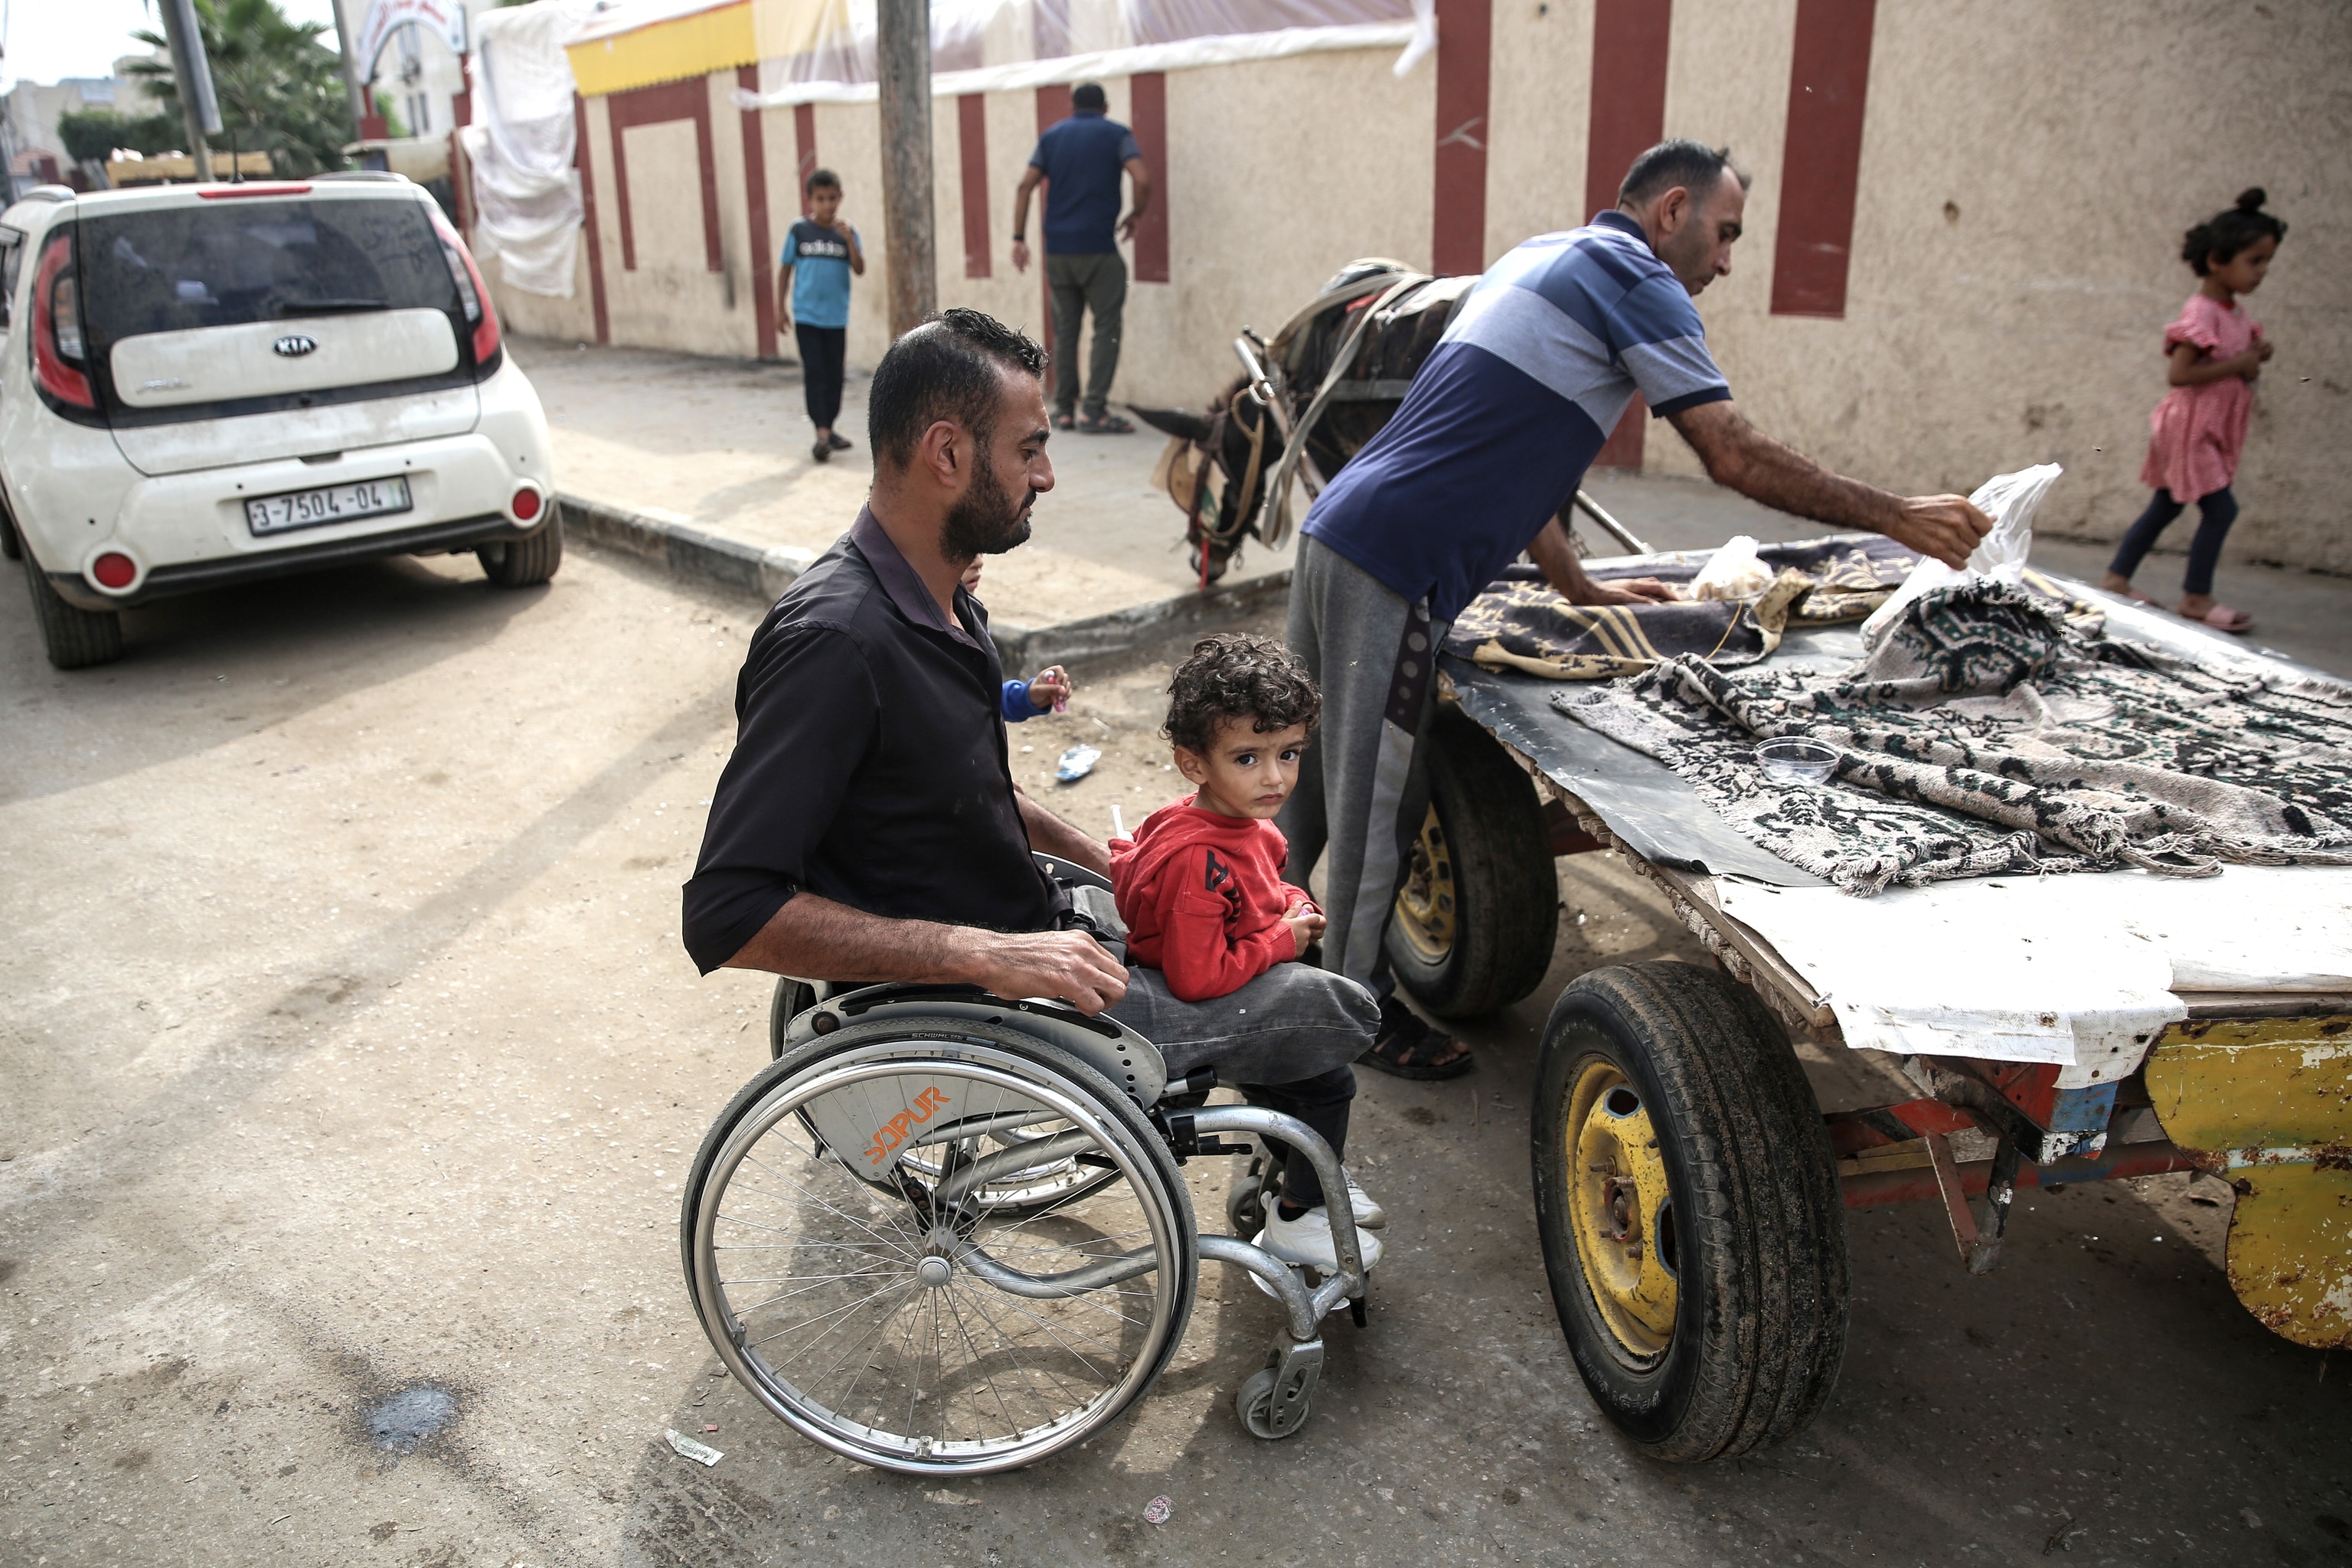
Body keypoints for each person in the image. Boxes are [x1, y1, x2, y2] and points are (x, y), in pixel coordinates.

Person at [1279, 139, 1994, 1080]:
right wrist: (1896, 515)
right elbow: (1731, 454)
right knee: (1380, 797)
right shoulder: (1637, 279)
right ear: (1671, 212)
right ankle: (1352, 1010)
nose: (1727, 263)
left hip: (1337, 533)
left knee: (1307, 781)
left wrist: (1577, 585)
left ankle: (1255, 946)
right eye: (1726, 234)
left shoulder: (1541, 254)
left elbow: (1503, 442)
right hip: (1396, 565)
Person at [681, 308, 1381, 1269]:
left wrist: (1105, 860)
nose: (1048, 475)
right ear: (946, 451)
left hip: (1030, 923)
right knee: (1328, 1004)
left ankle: (1292, 1172)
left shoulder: (942, 601)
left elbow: (966, 794)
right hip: (978, 992)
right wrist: (999, 954)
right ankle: (1302, 1189)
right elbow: (727, 912)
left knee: (1234, 898)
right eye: (1031, 449)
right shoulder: (837, 644)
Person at [1109, 633, 1382, 1268]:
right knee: (1327, 1083)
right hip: (1199, 1007)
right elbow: (1197, 975)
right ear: (1193, 764)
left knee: (1296, 1072)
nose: (1274, 778)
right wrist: (1281, 938)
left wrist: (1294, 902)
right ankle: (1298, 1215)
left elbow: (1261, 887)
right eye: (1248, 758)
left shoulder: (1228, 819)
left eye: (1289, 754)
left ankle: (1309, 1170)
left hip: (1232, 968)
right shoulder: (1200, 860)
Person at [2100, 189, 2286, 635]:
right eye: (2253, 261)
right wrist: (2238, 364)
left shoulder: (2234, 313)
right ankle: (2197, 597)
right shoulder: (2200, 311)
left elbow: (2231, 361)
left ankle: (2116, 579)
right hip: (2190, 428)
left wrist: (2254, 353)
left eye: (2266, 262)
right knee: (2220, 510)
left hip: (2206, 428)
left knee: (2166, 505)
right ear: (2218, 260)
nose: (2261, 272)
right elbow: (2179, 374)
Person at [1009, 83, 1148, 435]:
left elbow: (1025, 185)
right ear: (1106, 106)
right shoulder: (1117, 134)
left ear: (1072, 106)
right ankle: (1095, 411)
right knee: (1106, 329)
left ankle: (1066, 410)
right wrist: (1136, 214)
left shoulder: (1052, 137)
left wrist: (1019, 238)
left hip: (1058, 251)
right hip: (1100, 249)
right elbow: (1142, 179)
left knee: (1065, 331)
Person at [778, 168, 865, 464]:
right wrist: (780, 308)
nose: (827, 205)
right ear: (810, 200)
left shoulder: (847, 231)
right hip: (807, 316)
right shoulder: (799, 231)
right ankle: (821, 433)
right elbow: (785, 269)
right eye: (820, 199)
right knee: (815, 372)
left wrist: (850, 241)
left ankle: (829, 429)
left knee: (834, 375)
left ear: (840, 198)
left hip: (836, 317)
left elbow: (859, 268)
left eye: (832, 199)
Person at [959, 557, 1071, 719]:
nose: (978, 562)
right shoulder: (915, 643)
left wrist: (1026, 697)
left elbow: (979, 700)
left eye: (978, 548)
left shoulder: (971, 616)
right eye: (960, 545)